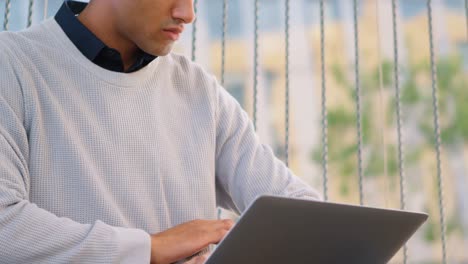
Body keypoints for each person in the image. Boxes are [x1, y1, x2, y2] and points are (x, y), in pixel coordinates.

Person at [0, 0, 321, 263]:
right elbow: (5, 228)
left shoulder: (198, 89)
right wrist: (150, 249)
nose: (188, 14)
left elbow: (300, 210)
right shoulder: (12, 65)